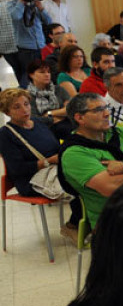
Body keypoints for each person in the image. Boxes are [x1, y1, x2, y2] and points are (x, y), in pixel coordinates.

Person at [0, 88, 80, 232]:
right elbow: (17, 169)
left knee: (89, 175)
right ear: (7, 112)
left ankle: (86, 223)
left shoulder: (37, 122)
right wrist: (49, 161)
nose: (24, 109)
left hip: (55, 171)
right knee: (82, 183)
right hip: (31, 181)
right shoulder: (5, 134)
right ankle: (74, 226)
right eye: (16, 107)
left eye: (26, 104)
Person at [59, 93, 123, 228]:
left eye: (106, 107)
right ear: (80, 118)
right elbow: (115, 188)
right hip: (115, 220)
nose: (107, 113)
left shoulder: (119, 133)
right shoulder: (74, 153)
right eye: (98, 110)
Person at [9, 0, 53, 88]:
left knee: (43, 74)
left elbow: (48, 22)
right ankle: (24, 95)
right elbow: (16, 17)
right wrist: (21, 2)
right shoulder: (12, 5)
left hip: (41, 46)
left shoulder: (34, 4)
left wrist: (41, 8)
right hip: (27, 49)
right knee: (28, 76)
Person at [0, 0, 17, 70]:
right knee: (26, 70)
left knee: (16, 69)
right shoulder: (16, 5)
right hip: (20, 44)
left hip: (4, 46)